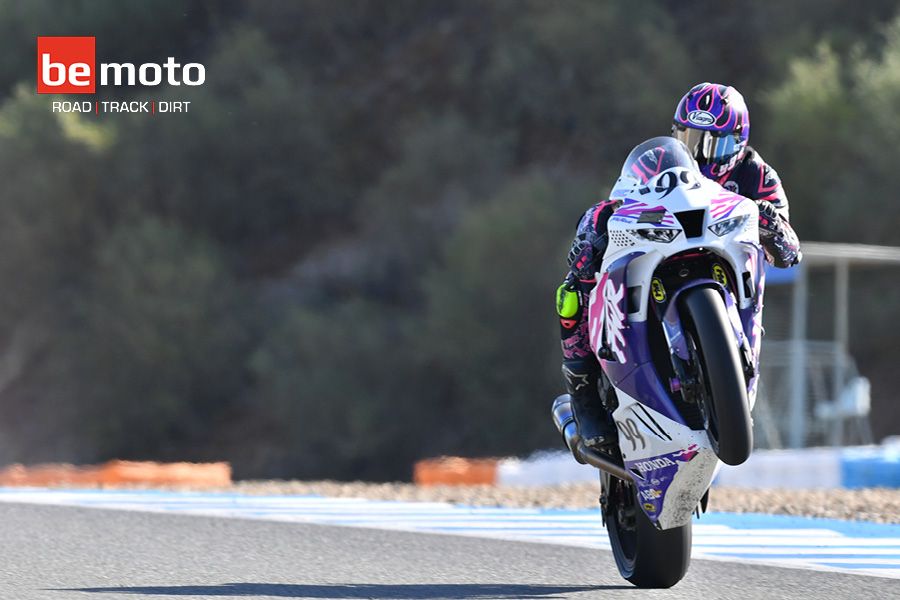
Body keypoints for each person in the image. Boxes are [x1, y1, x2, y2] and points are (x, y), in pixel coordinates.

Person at [555, 82, 801, 451]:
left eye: (710, 143)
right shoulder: (656, 164)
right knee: (571, 293)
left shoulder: (757, 176)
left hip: (724, 273)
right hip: (659, 258)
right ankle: (584, 394)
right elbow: (620, 203)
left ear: (738, 142)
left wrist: (770, 224)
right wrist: (594, 230)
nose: (697, 154)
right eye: (687, 138)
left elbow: (789, 251)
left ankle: (723, 369)